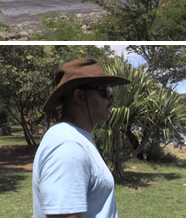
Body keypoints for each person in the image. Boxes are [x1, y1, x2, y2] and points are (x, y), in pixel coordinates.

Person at [32, 58, 131, 218]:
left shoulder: (75, 138)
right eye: (105, 92)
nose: (111, 98)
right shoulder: (68, 145)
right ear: (79, 97)